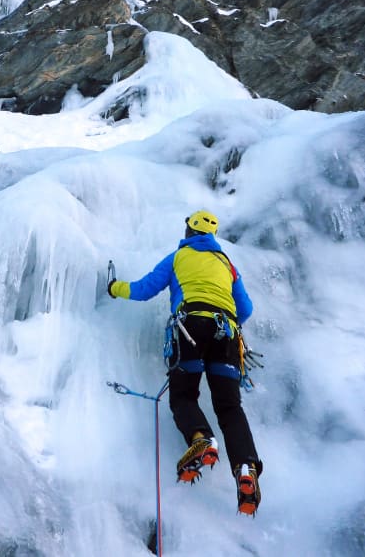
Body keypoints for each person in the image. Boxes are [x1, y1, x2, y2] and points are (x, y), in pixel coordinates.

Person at [108, 209, 263, 515]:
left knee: (183, 396)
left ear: (190, 231)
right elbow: (245, 309)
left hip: (190, 328)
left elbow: (143, 289)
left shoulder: (179, 257)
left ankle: (201, 439)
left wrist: (114, 288)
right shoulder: (227, 264)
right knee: (230, 407)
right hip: (227, 334)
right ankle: (246, 468)